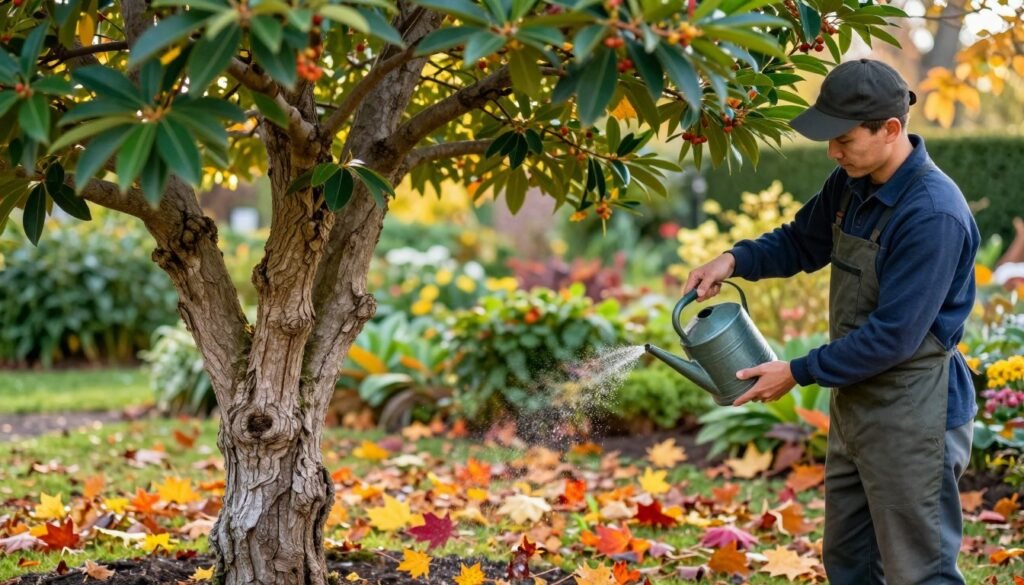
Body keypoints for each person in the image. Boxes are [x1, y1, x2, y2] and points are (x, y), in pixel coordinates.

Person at [685, 59, 980, 584]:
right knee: (849, 563)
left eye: (843, 138)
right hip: (857, 404)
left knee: (920, 571)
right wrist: (732, 261)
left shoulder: (932, 214)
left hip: (915, 413)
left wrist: (796, 372)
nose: (832, 151)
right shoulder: (852, 183)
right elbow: (801, 241)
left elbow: (894, 336)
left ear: (891, 130)